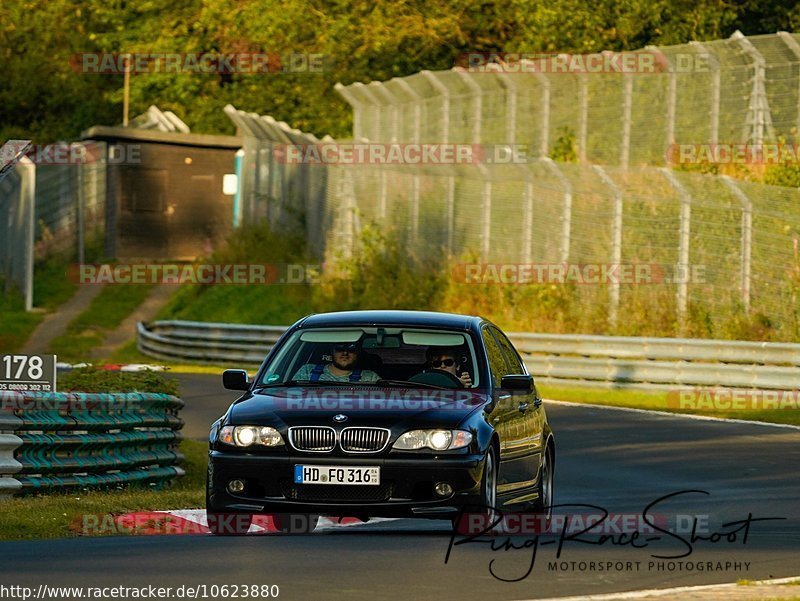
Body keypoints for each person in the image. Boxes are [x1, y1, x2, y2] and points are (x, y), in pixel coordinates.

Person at [293, 342, 380, 383]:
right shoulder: (307, 371)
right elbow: (291, 398)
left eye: (351, 349)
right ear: (332, 351)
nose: (345, 353)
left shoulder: (370, 377)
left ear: (358, 353)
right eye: (340, 348)